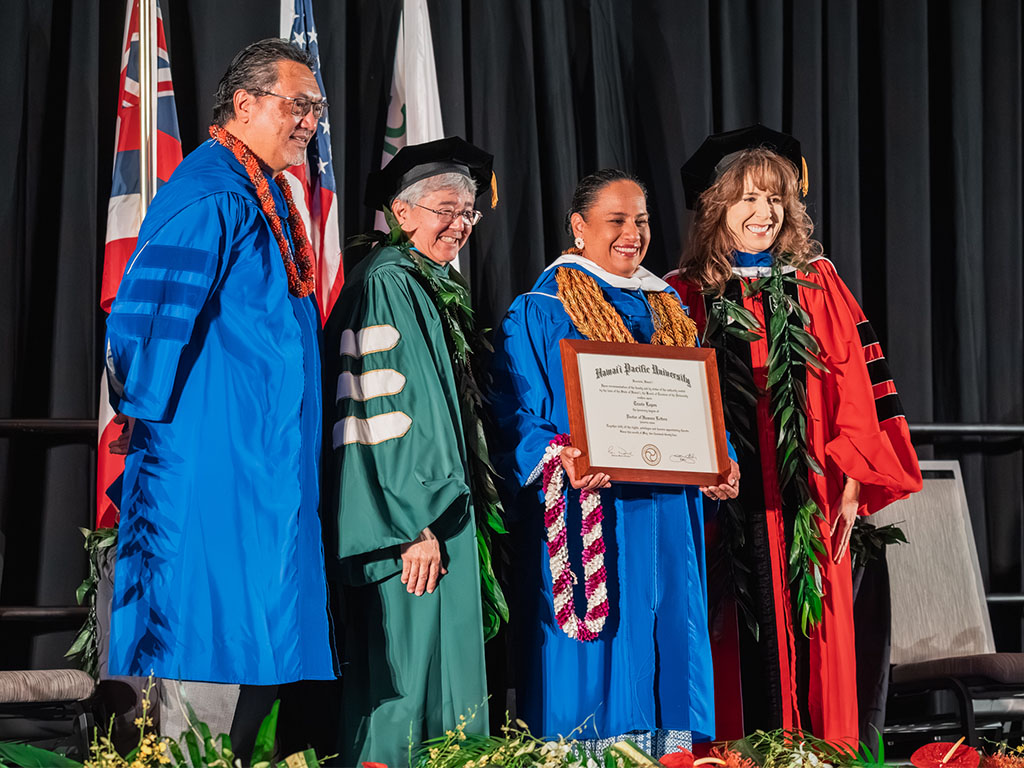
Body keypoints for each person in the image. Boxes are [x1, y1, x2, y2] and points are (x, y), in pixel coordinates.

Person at [104, 39, 336, 747]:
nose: (309, 123)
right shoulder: (210, 193)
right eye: (297, 105)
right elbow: (143, 326)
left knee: (258, 641)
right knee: (202, 638)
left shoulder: (261, 193)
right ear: (244, 104)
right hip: (209, 467)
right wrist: (155, 440)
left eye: (316, 109)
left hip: (262, 469)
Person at [665, 125, 922, 744]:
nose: (765, 213)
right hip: (720, 506)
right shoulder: (683, 294)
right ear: (716, 205)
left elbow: (858, 387)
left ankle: (814, 751)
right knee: (733, 633)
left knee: (814, 636)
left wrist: (856, 484)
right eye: (748, 198)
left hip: (809, 496)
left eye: (776, 199)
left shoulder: (817, 282)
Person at [488, 169, 740, 753]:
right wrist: (559, 457)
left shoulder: (668, 305)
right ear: (579, 227)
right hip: (589, 508)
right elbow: (515, 410)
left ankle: (669, 757)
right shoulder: (542, 307)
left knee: (668, 644)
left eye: (643, 221)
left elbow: (698, 403)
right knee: (596, 660)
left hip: (672, 510)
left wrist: (720, 461)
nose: (633, 234)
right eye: (617, 220)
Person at [323, 137, 500, 767]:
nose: (460, 223)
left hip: (430, 514)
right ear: (403, 215)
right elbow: (389, 415)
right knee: (407, 684)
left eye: (469, 212)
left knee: (426, 681)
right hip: (415, 524)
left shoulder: (420, 283)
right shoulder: (392, 282)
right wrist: (411, 524)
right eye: (445, 208)